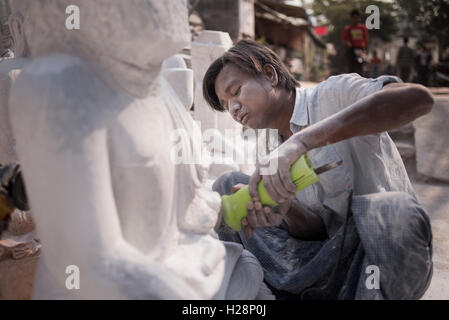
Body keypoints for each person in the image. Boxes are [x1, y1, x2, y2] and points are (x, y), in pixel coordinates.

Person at [203, 40, 434, 300]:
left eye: (235, 91)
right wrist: (284, 207)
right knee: (228, 185)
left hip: (386, 252)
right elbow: (317, 231)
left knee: (391, 211)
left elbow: (418, 99)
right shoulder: (266, 147)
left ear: (270, 75)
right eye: (225, 105)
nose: (233, 108)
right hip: (331, 264)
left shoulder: (334, 94)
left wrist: (302, 142)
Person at [342, 9, 369, 75]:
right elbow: (344, 39)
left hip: (360, 49)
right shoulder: (347, 29)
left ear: (359, 18)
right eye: (353, 18)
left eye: (357, 17)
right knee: (351, 67)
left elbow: (366, 40)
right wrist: (347, 43)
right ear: (351, 18)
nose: (355, 19)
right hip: (351, 50)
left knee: (360, 66)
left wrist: (365, 50)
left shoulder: (363, 28)